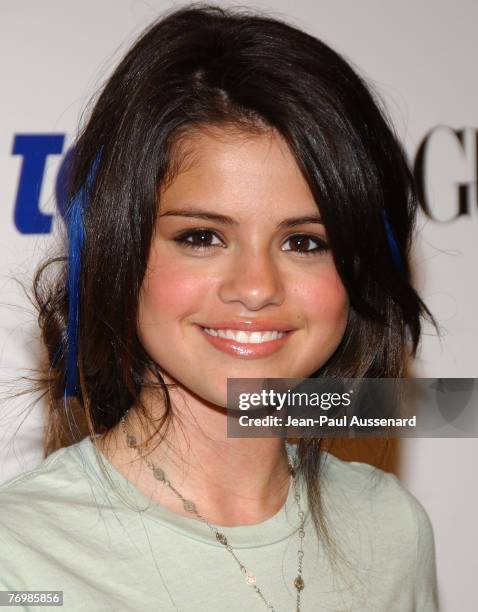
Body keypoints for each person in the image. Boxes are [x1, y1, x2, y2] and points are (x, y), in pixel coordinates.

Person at [0, 4, 439, 611]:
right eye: (201, 237)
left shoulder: (391, 529)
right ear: (119, 251)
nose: (256, 287)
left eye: (304, 242)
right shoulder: (20, 559)